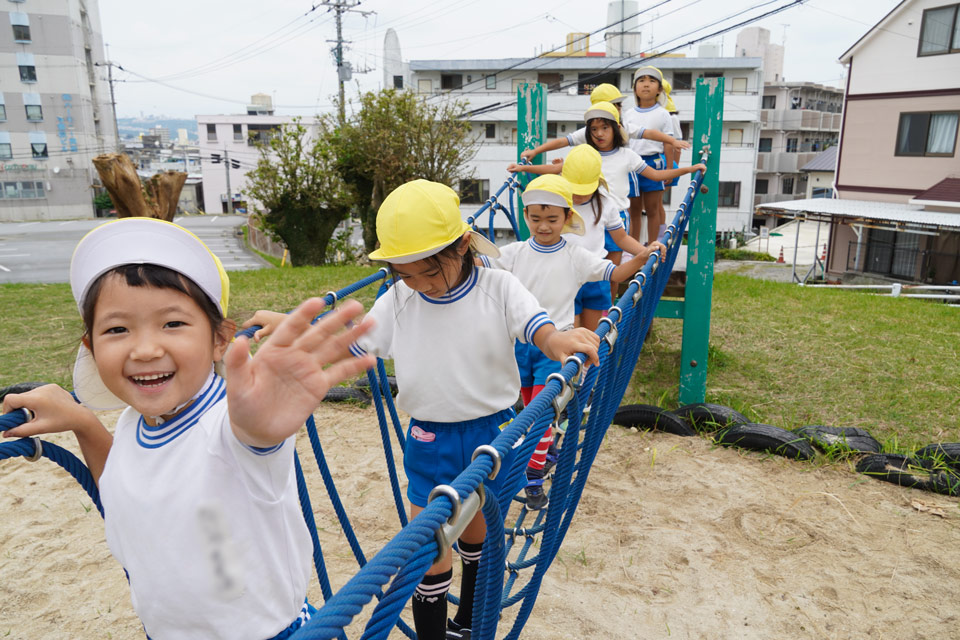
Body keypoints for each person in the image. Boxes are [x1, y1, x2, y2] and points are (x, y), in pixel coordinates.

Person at [243, 180, 601, 640]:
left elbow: (537, 327)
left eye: (429, 272)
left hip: (494, 431)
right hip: (428, 438)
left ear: (464, 246)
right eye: (405, 273)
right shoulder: (400, 298)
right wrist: (290, 326)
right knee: (428, 541)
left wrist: (558, 341)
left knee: (477, 527)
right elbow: (349, 339)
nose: (419, 284)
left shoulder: (499, 287)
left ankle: (468, 619)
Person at [1, 217, 376, 640]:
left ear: (219, 340)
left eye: (173, 324)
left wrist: (261, 427)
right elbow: (127, 491)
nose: (144, 349)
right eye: (117, 329)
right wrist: (84, 423)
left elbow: (249, 438)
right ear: (90, 346)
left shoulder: (229, 425)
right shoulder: (131, 424)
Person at [479, 174, 666, 510]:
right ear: (526, 217)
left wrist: (642, 257)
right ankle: (543, 450)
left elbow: (615, 274)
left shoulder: (575, 255)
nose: (543, 226)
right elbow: (481, 262)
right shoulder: (515, 252)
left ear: (567, 217)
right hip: (518, 344)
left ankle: (533, 477)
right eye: (535, 218)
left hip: (558, 345)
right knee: (524, 408)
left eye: (552, 219)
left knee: (540, 415)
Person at [509, 103, 705, 299]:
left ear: (616, 129)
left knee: (610, 270)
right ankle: (580, 302)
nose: (599, 134)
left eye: (605, 128)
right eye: (593, 129)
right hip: (586, 212)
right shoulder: (582, 155)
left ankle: (608, 307)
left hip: (615, 215)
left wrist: (687, 170)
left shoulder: (627, 155)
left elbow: (655, 175)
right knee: (584, 261)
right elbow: (555, 169)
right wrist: (525, 168)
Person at [622, 66, 676, 245]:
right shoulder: (628, 114)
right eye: (642, 81)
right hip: (631, 164)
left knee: (653, 208)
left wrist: (669, 168)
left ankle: (653, 247)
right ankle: (633, 249)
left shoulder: (663, 114)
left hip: (654, 163)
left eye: (652, 81)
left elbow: (668, 142)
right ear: (635, 87)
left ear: (659, 89)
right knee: (633, 209)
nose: (646, 85)